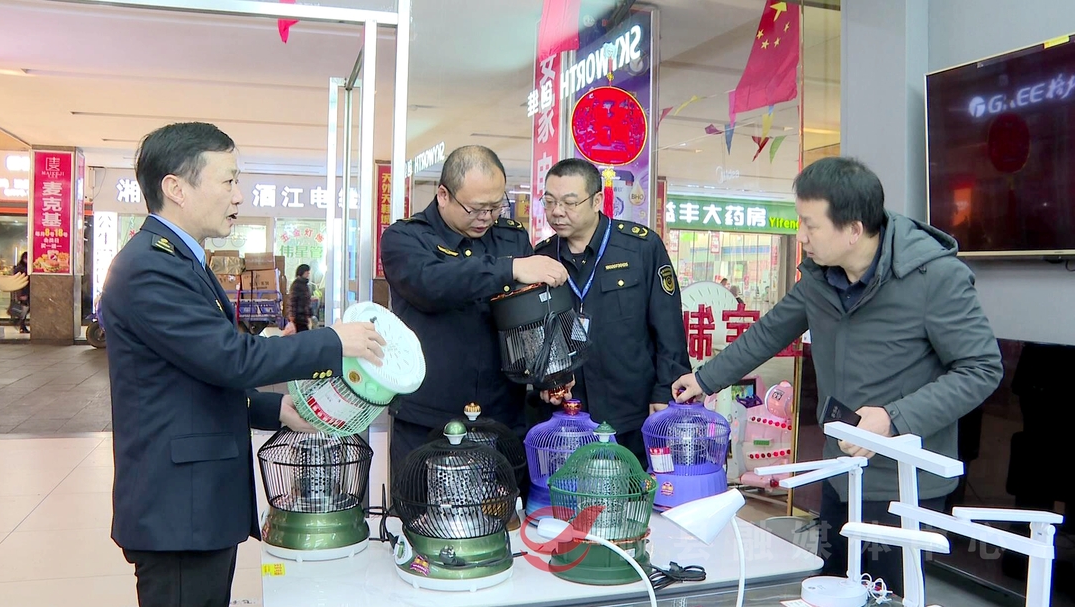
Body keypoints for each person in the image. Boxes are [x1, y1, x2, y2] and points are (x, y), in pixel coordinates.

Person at [673, 157, 1002, 596]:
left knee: (887, 595)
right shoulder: (820, 278)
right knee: (830, 587)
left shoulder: (934, 278)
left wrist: (893, 419)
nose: (801, 236)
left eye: (811, 225)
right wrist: (705, 380)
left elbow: (981, 369)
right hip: (840, 469)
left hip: (902, 484)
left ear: (853, 229)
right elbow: (770, 331)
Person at [103, 122, 388, 607]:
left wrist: (277, 411)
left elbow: (194, 374)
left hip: (196, 500)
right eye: (229, 180)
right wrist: (333, 341)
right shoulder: (152, 267)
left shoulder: (180, 259)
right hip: (179, 509)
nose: (239, 194)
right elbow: (231, 358)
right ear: (176, 188)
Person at [380, 145, 568, 471]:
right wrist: (509, 269)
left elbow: (532, 318)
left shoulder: (510, 238)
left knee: (504, 501)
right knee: (420, 501)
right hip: (428, 418)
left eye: (496, 207)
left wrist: (552, 374)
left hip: (501, 416)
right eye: (476, 209)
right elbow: (432, 285)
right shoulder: (406, 239)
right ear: (443, 195)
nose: (487, 218)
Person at [531, 158, 690, 464]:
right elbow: (536, 336)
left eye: (569, 202)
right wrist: (546, 383)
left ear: (597, 201)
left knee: (635, 488)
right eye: (549, 201)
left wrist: (664, 391)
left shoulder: (640, 247)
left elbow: (668, 327)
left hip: (632, 412)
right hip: (567, 418)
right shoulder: (542, 257)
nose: (557, 211)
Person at [287, 263, 312, 332]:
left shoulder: (305, 285)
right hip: (298, 317)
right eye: (307, 273)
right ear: (302, 272)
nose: (308, 274)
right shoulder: (296, 285)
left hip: (304, 317)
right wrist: (292, 316)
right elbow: (292, 301)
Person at [12, 252, 29, 333]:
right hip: (23, 292)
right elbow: (17, 282)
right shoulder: (20, 268)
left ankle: (21, 324)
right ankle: (21, 325)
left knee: (25, 309)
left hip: (26, 291)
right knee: (24, 309)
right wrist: (20, 295)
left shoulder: (26, 267)